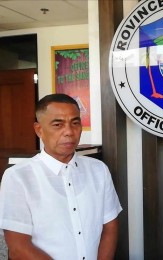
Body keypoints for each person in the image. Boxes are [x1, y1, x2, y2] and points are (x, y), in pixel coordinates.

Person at [0, 94, 122, 260]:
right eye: (58, 124)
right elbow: (19, 247)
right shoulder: (19, 177)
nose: (69, 132)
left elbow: (110, 227)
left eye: (75, 123)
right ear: (39, 130)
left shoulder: (98, 170)